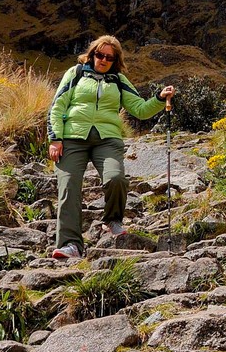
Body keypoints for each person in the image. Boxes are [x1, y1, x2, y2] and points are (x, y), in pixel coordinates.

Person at [46, 35, 174, 259]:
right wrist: (55, 138)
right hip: (72, 138)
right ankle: (70, 245)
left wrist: (158, 98)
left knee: (116, 178)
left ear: (115, 60)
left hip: (107, 139)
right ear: (92, 53)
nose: (103, 60)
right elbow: (58, 106)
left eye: (109, 57)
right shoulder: (75, 74)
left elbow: (140, 109)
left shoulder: (118, 80)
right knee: (68, 186)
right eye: (99, 55)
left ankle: (112, 220)